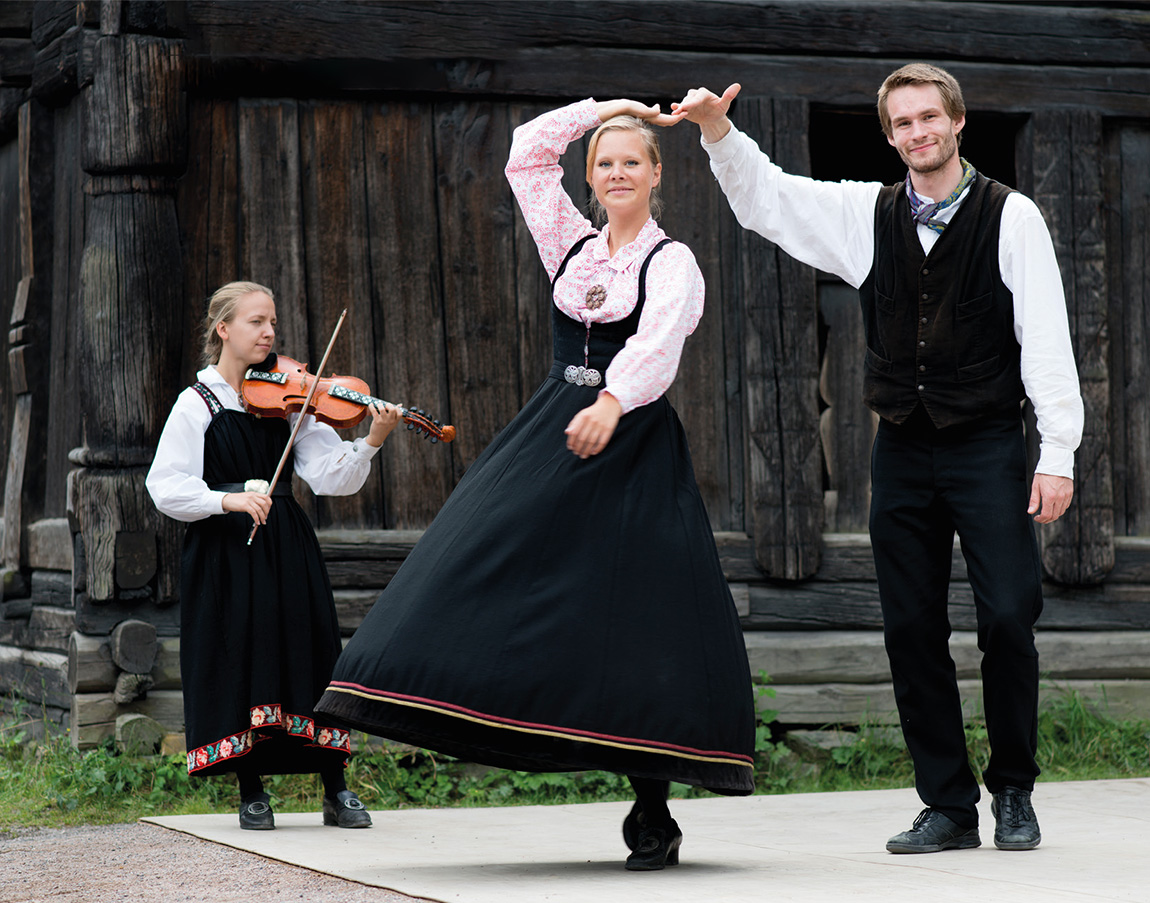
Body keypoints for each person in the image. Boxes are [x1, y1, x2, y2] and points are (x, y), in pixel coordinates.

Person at [314, 99, 756, 870]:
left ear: (657, 173)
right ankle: (457, 706)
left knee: (638, 614)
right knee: (474, 550)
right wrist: (609, 110)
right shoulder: (572, 246)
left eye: (632, 160)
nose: (618, 172)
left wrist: (613, 402)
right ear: (591, 175)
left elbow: (657, 347)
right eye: (605, 161)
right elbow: (525, 153)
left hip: (633, 440)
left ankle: (652, 808)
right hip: (556, 422)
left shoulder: (671, 261)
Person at [671, 64, 1083, 854]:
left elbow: (1048, 340)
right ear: (890, 134)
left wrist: (1056, 452)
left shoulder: (1012, 216)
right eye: (903, 123)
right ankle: (949, 805)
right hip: (901, 447)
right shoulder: (869, 213)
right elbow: (771, 200)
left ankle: (1015, 790)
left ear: (957, 123)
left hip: (989, 445)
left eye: (930, 118)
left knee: (1006, 615)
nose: (918, 133)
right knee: (911, 626)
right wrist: (717, 134)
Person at [146, 281, 400, 830]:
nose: (268, 333)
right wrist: (227, 498)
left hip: (285, 539)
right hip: (226, 547)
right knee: (242, 655)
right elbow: (164, 486)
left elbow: (331, 477)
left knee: (309, 650)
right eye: (257, 322)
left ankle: (336, 787)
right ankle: (251, 788)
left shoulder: (290, 400)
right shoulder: (198, 403)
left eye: (273, 324)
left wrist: (373, 439)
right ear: (224, 330)